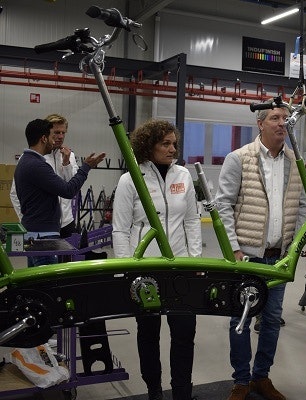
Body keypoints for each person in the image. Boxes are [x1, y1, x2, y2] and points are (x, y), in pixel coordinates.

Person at [215, 100, 306, 400]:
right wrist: (234, 250)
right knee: (240, 319)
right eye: (275, 118)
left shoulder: (296, 162)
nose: (283, 123)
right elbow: (223, 206)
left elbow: (305, 205)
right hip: (247, 256)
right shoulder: (238, 158)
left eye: (285, 118)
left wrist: (296, 245)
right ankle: (241, 380)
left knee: (271, 319)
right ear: (261, 123)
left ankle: (261, 377)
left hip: (279, 257)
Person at [112, 120, 202, 400]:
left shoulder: (184, 176)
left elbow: (192, 221)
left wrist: (196, 262)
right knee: (149, 334)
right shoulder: (131, 180)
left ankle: (182, 393)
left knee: (184, 333)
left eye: (174, 143)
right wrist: (128, 269)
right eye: (165, 144)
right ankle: (154, 391)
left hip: (181, 269)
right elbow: (121, 228)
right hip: (145, 270)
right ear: (148, 146)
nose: (172, 149)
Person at [13, 118, 105, 267]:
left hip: (41, 231)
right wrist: (86, 167)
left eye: (62, 133)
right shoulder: (37, 165)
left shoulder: (27, 162)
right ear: (43, 138)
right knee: (47, 283)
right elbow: (68, 190)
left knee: (39, 278)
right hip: (43, 237)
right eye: (52, 135)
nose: (56, 139)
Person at [10, 113, 79, 238]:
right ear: (46, 135)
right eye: (56, 133)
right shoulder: (32, 159)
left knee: (70, 258)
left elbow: (71, 188)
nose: (60, 136)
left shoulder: (69, 156)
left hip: (67, 222)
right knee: (45, 257)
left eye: (63, 133)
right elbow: (15, 193)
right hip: (41, 228)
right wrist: (26, 219)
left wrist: (67, 164)